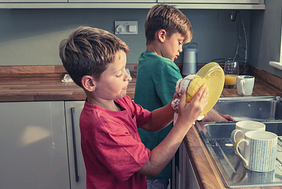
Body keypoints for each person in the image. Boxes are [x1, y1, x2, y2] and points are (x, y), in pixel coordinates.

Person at [59, 26, 209, 189]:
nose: (128, 77)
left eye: (125, 69)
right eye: (118, 74)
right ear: (89, 83)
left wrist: (174, 107)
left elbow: (150, 121)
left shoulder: (119, 100)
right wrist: (185, 122)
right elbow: (151, 166)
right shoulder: (102, 126)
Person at [135, 4, 235, 189]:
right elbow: (194, 106)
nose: (180, 49)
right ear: (162, 35)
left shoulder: (145, 59)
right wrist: (221, 120)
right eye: (180, 42)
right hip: (155, 160)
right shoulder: (164, 66)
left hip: (144, 150)